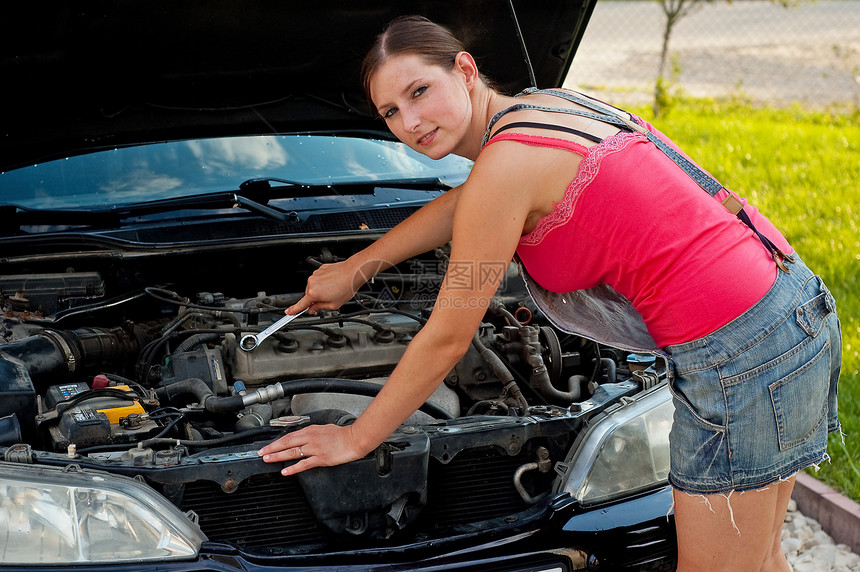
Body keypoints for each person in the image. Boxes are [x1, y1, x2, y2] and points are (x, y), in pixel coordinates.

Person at [258, 15, 841, 571]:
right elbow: (467, 202)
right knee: (759, 559)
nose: (409, 121)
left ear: (464, 67)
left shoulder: (503, 169)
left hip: (737, 354)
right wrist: (359, 266)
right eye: (390, 110)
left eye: (419, 91)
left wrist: (356, 436)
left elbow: (447, 338)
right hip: (787, 308)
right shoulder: (541, 106)